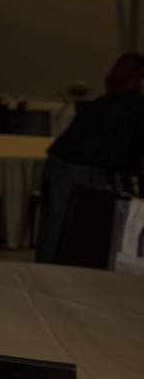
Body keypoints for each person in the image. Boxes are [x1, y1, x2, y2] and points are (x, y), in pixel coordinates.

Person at [36, 52, 144, 263]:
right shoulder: (134, 105)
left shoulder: (106, 101)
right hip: (79, 171)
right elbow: (131, 156)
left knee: (54, 234)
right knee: (64, 237)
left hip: (59, 164)